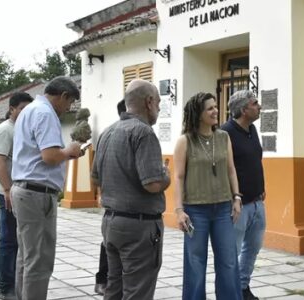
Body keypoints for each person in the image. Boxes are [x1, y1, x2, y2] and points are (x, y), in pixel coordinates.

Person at [92, 80, 170, 300]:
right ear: (149, 102)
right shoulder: (144, 133)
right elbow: (152, 183)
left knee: (114, 288)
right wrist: (166, 176)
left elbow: (95, 178)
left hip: (112, 223)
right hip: (139, 227)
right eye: (159, 102)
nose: (159, 108)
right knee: (138, 291)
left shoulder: (107, 132)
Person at [10, 76, 84, 299]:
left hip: (26, 190)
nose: (68, 108)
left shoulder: (31, 109)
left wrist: (64, 155)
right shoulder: (45, 113)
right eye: (69, 103)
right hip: (36, 194)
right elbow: (50, 156)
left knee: (26, 257)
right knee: (39, 260)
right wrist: (69, 151)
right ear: (62, 96)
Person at [173, 92, 242, 300]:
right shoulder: (185, 141)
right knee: (195, 263)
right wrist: (179, 211)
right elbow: (178, 177)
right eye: (210, 108)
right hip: (195, 210)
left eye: (215, 107)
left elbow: (231, 170)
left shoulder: (224, 137)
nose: (215, 111)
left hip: (223, 208)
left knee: (229, 261)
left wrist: (237, 198)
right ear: (198, 114)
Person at [221, 90, 265, 300]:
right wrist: (232, 197)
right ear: (243, 109)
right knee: (231, 253)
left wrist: (261, 186)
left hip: (257, 202)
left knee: (252, 249)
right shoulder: (225, 132)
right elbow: (222, 169)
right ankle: (229, 293)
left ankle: (242, 287)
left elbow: (255, 160)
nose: (259, 107)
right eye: (255, 103)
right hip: (237, 205)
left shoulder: (253, 130)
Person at [0, 92, 33, 299]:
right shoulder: (5, 130)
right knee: (9, 241)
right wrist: (7, 190)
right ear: (12, 109)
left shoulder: (24, 129)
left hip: (23, 192)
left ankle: (18, 283)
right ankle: (6, 288)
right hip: (8, 192)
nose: (25, 112)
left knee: (21, 241)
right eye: (22, 108)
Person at [94, 98, 128, 296]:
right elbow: (98, 167)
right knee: (108, 243)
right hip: (114, 199)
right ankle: (102, 279)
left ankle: (116, 282)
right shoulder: (110, 133)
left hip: (128, 202)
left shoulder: (140, 132)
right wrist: (100, 193)